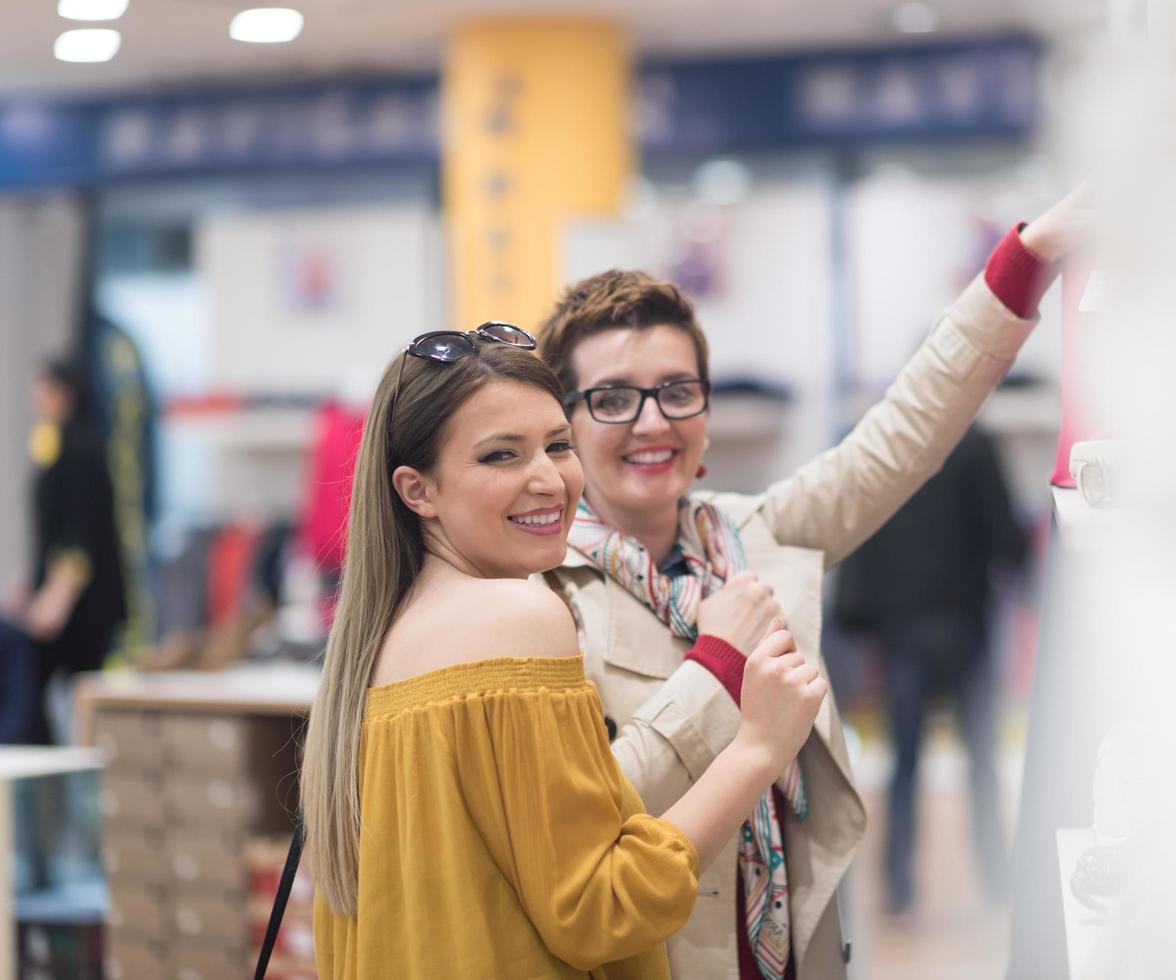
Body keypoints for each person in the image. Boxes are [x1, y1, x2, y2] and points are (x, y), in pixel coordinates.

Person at [534, 185, 1086, 979]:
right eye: (613, 400)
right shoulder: (545, 602)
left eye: (676, 392)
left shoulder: (752, 536)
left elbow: (909, 427)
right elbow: (583, 830)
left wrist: (1026, 259)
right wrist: (716, 664)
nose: (652, 423)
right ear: (566, 425)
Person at [299, 323, 827, 980]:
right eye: (501, 455)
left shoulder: (377, 642)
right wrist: (758, 748)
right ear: (418, 491)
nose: (549, 479)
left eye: (557, 445)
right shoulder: (517, 616)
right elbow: (600, 908)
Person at [835, 422, 1028, 913]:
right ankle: (998, 882)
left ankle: (899, 889)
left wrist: (859, 618)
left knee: (904, 765)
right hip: (966, 628)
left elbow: (863, 535)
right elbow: (1005, 535)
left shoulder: (888, 440)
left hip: (904, 633)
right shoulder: (977, 443)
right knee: (980, 764)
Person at [5, 359, 127, 744]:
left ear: (65, 393)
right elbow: (54, 532)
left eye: (44, 390)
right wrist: (30, 580)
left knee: (65, 699)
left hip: (83, 607)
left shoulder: (81, 449)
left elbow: (80, 534)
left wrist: (57, 597)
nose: (37, 399)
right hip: (67, 598)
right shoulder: (58, 445)